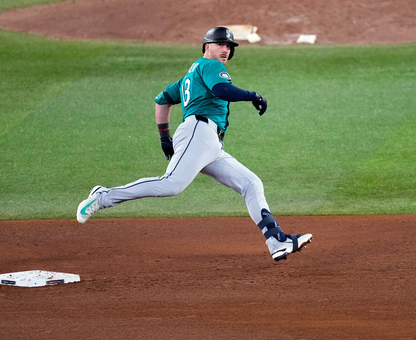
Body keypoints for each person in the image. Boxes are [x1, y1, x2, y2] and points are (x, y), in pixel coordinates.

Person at [76, 27, 312, 261]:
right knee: (171, 185)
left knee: (251, 183)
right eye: (221, 44)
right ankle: (102, 196)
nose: (226, 50)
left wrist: (164, 138)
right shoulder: (210, 66)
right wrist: (253, 95)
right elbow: (222, 89)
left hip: (208, 143)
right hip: (199, 133)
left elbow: (162, 101)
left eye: (229, 46)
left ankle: (276, 240)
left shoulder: (190, 76)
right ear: (207, 46)